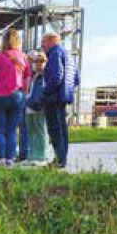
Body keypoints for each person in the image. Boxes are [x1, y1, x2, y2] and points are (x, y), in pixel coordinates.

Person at [0, 28, 31, 166]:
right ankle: (10, 159)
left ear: (3, 41)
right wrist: (24, 94)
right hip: (17, 96)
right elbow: (27, 79)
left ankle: (1, 158)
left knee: (0, 130)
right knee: (12, 130)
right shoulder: (24, 58)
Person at [42, 32, 80, 169]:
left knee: (54, 129)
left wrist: (46, 90)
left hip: (53, 98)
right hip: (64, 97)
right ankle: (62, 158)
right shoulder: (68, 55)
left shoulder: (55, 53)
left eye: (44, 42)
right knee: (62, 129)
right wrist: (66, 90)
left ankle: (59, 159)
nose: (42, 46)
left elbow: (57, 75)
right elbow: (76, 79)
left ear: (51, 41)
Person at [24, 50, 49, 166]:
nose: (38, 64)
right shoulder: (34, 76)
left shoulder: (46, 76)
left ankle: (42, 156)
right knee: (31, 132)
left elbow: (44, 92)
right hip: (30, 106)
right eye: (36, 62)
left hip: (40, 107)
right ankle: (33, 155)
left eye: (41, 62)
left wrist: (39, 102)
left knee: (40, 131)